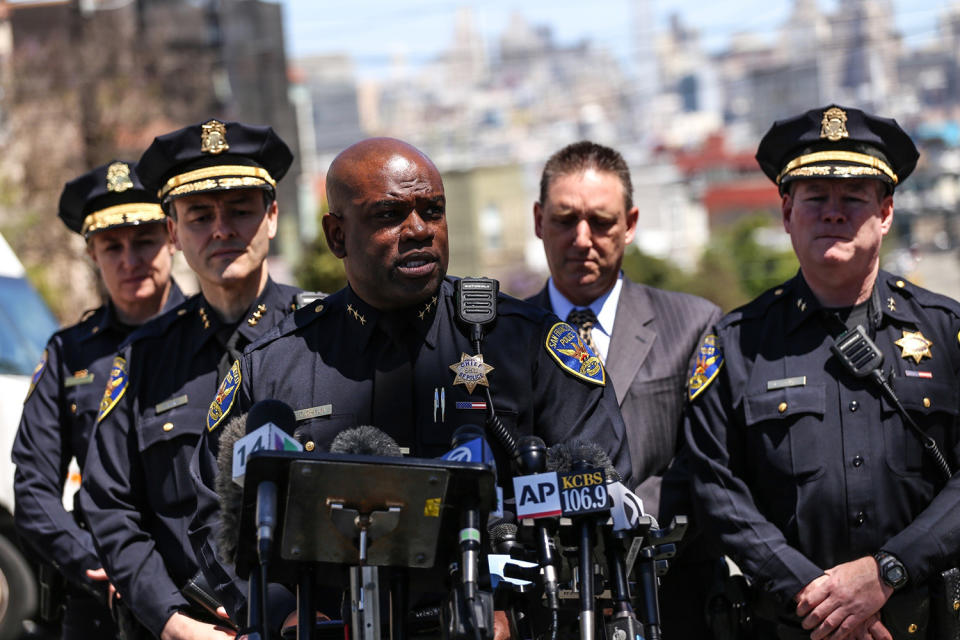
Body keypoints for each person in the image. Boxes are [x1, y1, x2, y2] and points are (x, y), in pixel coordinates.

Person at [191, 137, 632, 630]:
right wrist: (284, 613)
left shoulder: (525, 344)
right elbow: (215, 516)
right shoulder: (273, 366)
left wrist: (513, 602)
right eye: (389, 215)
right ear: (337, 236)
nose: (419, 230)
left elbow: (599, 491)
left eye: (433, 210)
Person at [685, 104, 960, 640]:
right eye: (815, 198)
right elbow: (713, 487)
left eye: (853, 198)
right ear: (787, 213)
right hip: (794, 626)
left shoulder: (946, 332)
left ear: (885, 212)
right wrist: (822, 601)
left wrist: (886, 572)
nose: (833, 213)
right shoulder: (737, 343)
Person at [79, 120, 303, 640]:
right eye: (201, 216)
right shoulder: (142, 359)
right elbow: (109, 506)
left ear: (272, 216)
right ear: (175, 233)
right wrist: (172, 622)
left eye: (241, 210)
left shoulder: (325, 336)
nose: (222, 229)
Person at [526, 140, 722, 637]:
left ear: (630, 224)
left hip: (670, 596)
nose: (582, 238)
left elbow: (707, 465)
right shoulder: (504, 339)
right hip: (546, 605)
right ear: (537, 221)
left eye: (602, 221)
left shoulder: (693, 326)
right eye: (565, 219)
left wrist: (622, 521)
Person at [12, 161, 183, 640]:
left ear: (171, 237)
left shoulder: (209, 338)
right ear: (91, 252)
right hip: (101, 603)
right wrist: (96, 560)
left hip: (199, 593)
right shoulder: (69, 352)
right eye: (112, 246)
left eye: (144, 240)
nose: (130, 260)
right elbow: (33, 488)